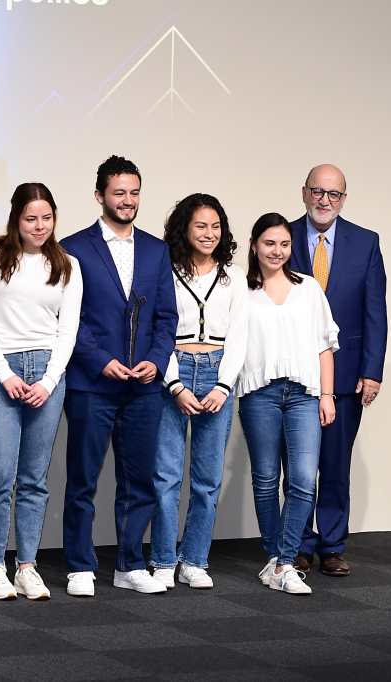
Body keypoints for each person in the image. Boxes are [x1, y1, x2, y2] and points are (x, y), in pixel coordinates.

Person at [59, 155, 178, 597]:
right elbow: (70, 320)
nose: (128, 201)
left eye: (134, 192)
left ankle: (130, 563)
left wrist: (157, 359)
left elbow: (166, 317)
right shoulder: (74, 247)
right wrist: (99, 359)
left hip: (144, 385)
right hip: (94, 383)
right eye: (119, 193)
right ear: (99, 197)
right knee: (83, 478)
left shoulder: (156, 248)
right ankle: (79, 565)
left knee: (139, 478)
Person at [0, 182, 83, 601]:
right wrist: (4, 374)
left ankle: (27, 565)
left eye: (46, 218)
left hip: (47, 375)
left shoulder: (68, 264)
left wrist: (48, 381)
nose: (39, 227)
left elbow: (68, 330)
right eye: (30, 219)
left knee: (35, 478)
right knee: (0, 475)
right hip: (0, 372)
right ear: (16, 219)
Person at [289, 164, 387, 577]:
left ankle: (331, 545)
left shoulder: (366, 243)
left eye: (334, 194)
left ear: (343, 199)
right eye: (318, 191)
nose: (325, 200)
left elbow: (375, 311)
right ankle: (298, 544)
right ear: (304, 192)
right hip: (293, 373)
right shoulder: (282, 237)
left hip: (347, 375)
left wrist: (372, 370)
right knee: (296, 467)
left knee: (334, 465)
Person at [150, 194, 247, 590]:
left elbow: (240, 335)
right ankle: (162, 559)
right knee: (166, 476)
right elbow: (160, 331)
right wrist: (173, 384)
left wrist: (224, 385)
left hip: (217, 373)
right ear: (184, 229)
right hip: (174, 369)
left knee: (207, 479)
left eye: (215, 226)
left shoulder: (234, 275)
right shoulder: (166, 270)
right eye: (200, 226)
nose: (209, 234)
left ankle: (194, 560)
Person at [238, 213, 338, 596]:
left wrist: (327, 395)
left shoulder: (308, 288)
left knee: (301, 480)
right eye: (269, 243)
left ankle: (284, 561)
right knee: (265, 480)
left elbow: (324, 345)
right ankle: (276, 561)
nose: (276, 251)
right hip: (259, 394)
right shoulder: (241, 292)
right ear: (254, 246)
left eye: (283, 244)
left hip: (303, 395)